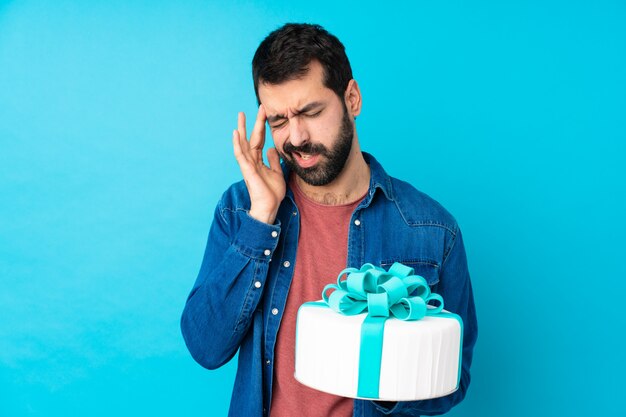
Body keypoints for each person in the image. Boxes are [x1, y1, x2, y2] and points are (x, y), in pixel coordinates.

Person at [181, 23, 478, 417]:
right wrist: (261, 220)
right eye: (279, 121)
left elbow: (453, 378)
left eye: (310, 111)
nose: (297, 138)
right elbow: (205, 346)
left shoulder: (432, 231)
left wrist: (386, 380)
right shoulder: (240, 210)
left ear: (352, 98)